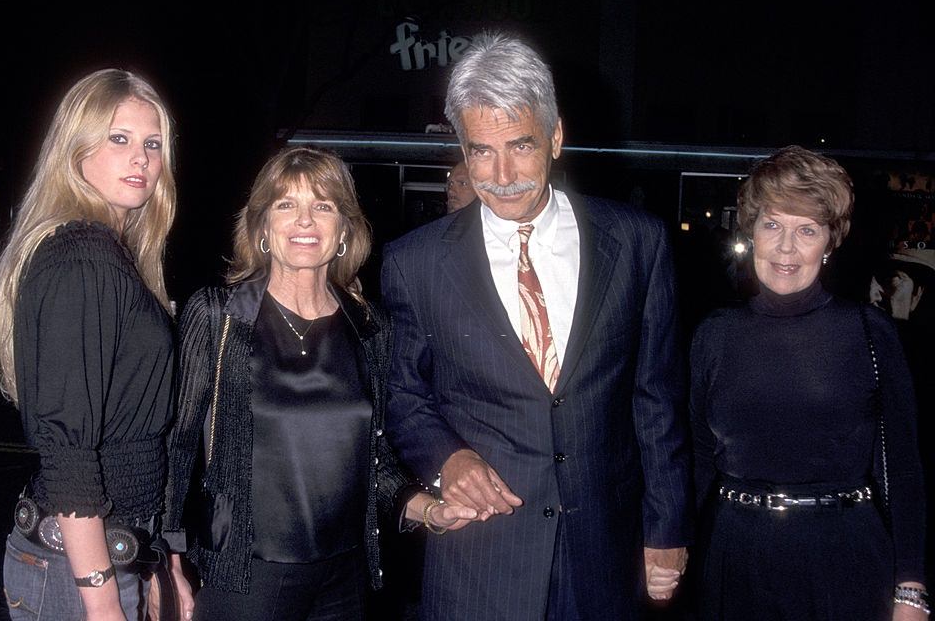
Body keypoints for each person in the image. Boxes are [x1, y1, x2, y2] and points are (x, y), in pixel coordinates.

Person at [381, 32, 691, 620]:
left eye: (520, 146)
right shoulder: (415, 263)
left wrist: (667, 527)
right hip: (482, 556)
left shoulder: (637, 243)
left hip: (606, 555)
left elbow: (658, 399)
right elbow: (403, 395)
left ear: (554, 135)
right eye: (480, 151)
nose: (501, 174)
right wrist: (446, 459)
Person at [162, 145, 476, 621]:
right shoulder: (218, 317)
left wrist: (428, 510)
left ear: (345, 229)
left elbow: (376, 461)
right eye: (287, 205)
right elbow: (177, 446)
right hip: (246, 579)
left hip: (344, 582)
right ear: (263, 226)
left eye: (323, 206)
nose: (305, 220)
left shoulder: (370, 328)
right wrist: (166, 559)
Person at [690, 146, 928, 620]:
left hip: (844, 559)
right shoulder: (714, 334)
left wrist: (912, 587)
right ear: (750, 230)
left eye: (806, 230)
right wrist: (667, 546)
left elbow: (902, 467)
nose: (786, 248)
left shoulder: (868, 331)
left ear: (830, 242)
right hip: (735, 559)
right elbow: (693, 458)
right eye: (772, 225)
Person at [0, 69, 180, 621]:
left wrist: (162, 564)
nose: (139, 158)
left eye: (152, 143)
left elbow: (137, 441)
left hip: (106, 558)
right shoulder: (81, 256)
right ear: (75, 150)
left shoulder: (110, 257)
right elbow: (69, 449)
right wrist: (101, 602)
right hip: (79, 573)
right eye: (118, 139)